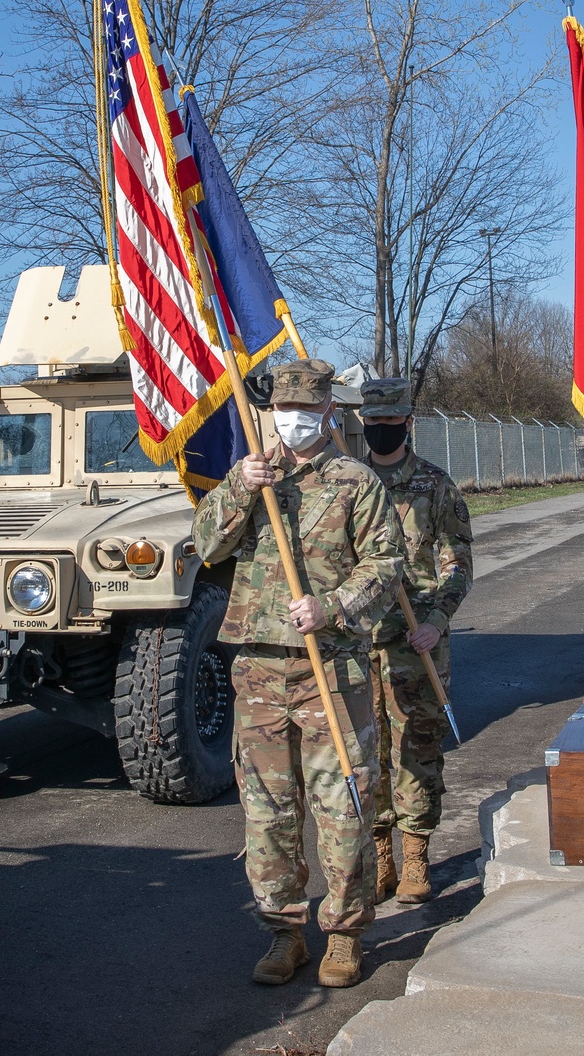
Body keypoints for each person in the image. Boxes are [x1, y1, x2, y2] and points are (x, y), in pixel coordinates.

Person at [192, 358, 404, 989]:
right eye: (285, 411)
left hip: (331, 670)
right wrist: (235, 487)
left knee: (342, 805)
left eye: (308, 412)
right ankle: (285, 933)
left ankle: (343, 934)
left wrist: (332, 605)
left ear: (328, 415)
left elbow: (388, 565)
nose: (295, 422)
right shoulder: (250, 478)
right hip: (258, 668)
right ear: (270, 414)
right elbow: (206, 547)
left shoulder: (354, 482)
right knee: (267, 810)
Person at [359, 377, 474, 905]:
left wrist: (437, 618)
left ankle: (415, 855)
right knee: (369, 750)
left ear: (408, 423)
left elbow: (457, 562)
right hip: (360, 642)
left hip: (416, 641)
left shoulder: (435, 485)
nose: (381, 432)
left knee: (417, 747)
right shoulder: (350, 485)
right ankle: (379, 852)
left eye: (390, 423)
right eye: (373, 423)